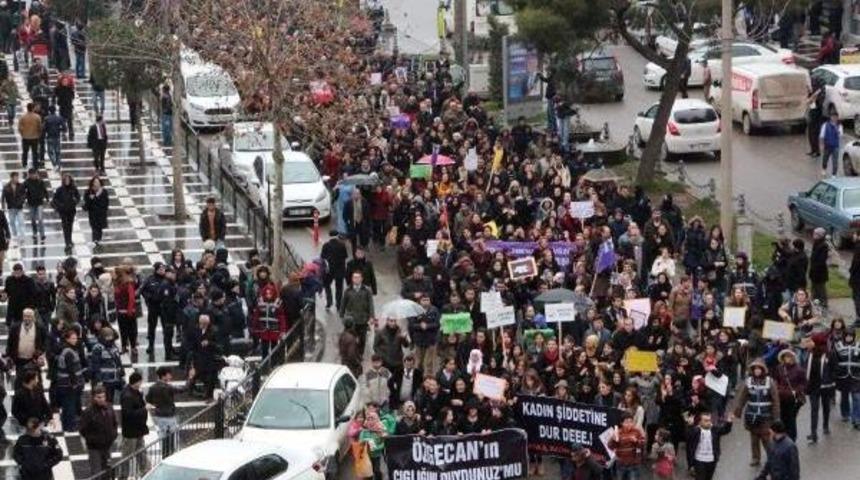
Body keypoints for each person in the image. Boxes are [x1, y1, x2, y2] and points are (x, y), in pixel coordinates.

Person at [733, 358, 781, 467]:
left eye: (759, 369)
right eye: (755, 369)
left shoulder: (770, 382)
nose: (757, 371)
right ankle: (755, 458)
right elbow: (742, 397)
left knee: (766, 438)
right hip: (752, 414)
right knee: (754, 438)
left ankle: (771, 458)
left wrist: (776, 417)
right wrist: (738, 411)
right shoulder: (749, 381)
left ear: (763, 370)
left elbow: (775, 400)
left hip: (766, 415)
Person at [79, 386, 118, 478]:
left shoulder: (109, 407)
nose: (101, 399)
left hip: (107, 445)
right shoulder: (88, 412)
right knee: (96, 472)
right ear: (94, 397)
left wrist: (113, 435)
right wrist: (94, 440)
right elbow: (83, 430)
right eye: (99, 397)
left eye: (103, 396)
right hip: (94, 447)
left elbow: (114, 423)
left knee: (107, 470)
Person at [802, 333, 835, 443]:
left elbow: (834, 369)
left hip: (826, 386)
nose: (808, 343)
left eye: (810, 341)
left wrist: (831, 381)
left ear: (817, 342)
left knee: (826, 407)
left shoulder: (829, 354)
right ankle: (813, 433)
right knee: (814, 409)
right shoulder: (809, 353)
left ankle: (825, 425)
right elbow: (804, 367)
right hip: (813, 386)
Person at [685, 410, 733, 480]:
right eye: (705, 421)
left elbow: (725, 430)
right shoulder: (696, 430)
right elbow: (688, 436)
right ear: (700, 421)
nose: (708, 422)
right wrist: (690, 425)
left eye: (709, 420)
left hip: (711, 460)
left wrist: (729, 422)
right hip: (699, 460)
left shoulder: (714, 429)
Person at [54, 328, 86, 431]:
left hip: (66, 384)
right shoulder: (68, 351)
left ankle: (66, 425)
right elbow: (70, 369)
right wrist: (74, 383)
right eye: (73, 338)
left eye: (76, 338)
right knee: (70, 406)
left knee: (67, 405)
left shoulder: (68, 349)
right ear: (67, 339)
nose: (75, 340)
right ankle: (70, 426)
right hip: (68, 384)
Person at [772, 349, 807, 442]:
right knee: (781, 418)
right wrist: (778, 390)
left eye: (790, 356)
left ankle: (791, 439)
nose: (788, 358)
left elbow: (803, 383)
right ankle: (782, 437)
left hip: (793, 400)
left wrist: (796, 391)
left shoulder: (799, 370)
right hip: (781, 398)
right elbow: (775, 381)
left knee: (791, 419)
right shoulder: (779, 368)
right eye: (786, 356)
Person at [119, 372, 149, 477]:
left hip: (138, 429)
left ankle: (146, 472)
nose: (141, 384)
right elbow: (128, 414)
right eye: (140, 381)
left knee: (141, 452)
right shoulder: (127, 396)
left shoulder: (134, 392)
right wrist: (144, 409)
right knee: (127, 455)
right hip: (131, 432)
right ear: (137, 382)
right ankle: (123, 475)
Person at [146, 366, 180, 457]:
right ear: (163, 376)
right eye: (169, 375)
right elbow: (182, 389)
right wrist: (191, 379)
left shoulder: (153, 387)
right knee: (172, 439)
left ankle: (165, 455)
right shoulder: (168, 387)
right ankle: (170, 455)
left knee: (163, 436)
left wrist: (157, 404)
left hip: (159, 416)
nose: (170, 377)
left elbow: (148, 399)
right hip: (169, 416)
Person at [340, 270, 375, 357]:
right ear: (352, 279)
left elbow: (371, 304)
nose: (356, 279)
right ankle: (352, 354)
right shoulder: (348, 290)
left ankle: (360, 354)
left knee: (362, 338)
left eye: (358, 277)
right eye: (354, 277)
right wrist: (342, 315)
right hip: (351, 320)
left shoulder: (367, 291)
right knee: (351, 338)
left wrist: (371, 317)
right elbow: (343, 304)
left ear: (362, 279)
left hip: (363, 319)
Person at [832, 329, 860, 428]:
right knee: (844, 396)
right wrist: (836, 373)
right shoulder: (839, 346)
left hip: (856, 376)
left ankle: (856, 419)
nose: (849, 338)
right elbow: (835, 360)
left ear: (854, 336)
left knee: (856, 397)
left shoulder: (858, 345)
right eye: (847, 336)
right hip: (843, 376)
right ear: (844, 336)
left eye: (851, 336)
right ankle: (845, 414)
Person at [89, 327, 124, 402]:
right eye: (107, 337)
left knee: (110, 400)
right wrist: (98, 380)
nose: (109, 339)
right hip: (104, 380)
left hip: (113, 379)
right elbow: (95, 365)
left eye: (110, 336)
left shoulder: (114, 347)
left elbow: (118, 361)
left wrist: (121, 371)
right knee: (103, 400)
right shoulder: (98, 348)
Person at [608, 413, 645, 480]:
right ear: (622, 423)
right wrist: (613, 440)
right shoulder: (618, 432)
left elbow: (642, 444)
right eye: (626, 422)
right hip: (621, 464)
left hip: (633, 464)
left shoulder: (637, 432)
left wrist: (636, 441)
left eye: (631, 422)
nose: (629, 424)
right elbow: (610, 446)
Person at [51, 172, 79, 252]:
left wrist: (75, 201)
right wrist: (60, 205)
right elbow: (55, 199)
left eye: (68, 179)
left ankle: (69, 240)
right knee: (65, 226)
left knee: (70, 226)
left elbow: (78, 197)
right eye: (65, 180)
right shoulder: (60, 189)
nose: (67, 181)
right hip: (63, 211)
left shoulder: (73, 188)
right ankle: (67, 242)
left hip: (71, 210)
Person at [321, 232, 348, 310]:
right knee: (339, 288)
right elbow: (345, 257)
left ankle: (329, 302)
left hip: (329, 270)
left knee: (327, 285)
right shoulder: (342, 245)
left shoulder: (326, 245)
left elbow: (322, 257)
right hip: (340, 270)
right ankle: (338, 305)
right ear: (337, 236)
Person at [83, 175, 109, 248]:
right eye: (95, 182)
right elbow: (87, 202)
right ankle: (95, 240)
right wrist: (92, 199)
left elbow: (105, 203)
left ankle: (98, 240)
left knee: (99, 228)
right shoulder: (89, 192)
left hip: (101, 214)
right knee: (94, 228)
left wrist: (95, 199)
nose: (96, 184)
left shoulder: (104, 192)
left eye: (98, 182)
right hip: (93, 214)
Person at [344, 188, 371, 256]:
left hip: (362, 222)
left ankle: (362, 251)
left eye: (358, 194)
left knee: (363, 237)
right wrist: (348, 222)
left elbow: (367, 213)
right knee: (353, 239)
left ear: (360, 195)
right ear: (352, 195)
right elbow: (345, 214)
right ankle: (354, 253)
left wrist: (368, 223)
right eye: (354, 194)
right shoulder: (348, 203)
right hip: (353, 223)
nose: (356, 195)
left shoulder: (364, 201)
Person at [23, 167, 46, 241]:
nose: (33, 175)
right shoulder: (26, 182)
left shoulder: (40, 181)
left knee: (40, 218)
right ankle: (35, 232)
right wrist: (24, 198)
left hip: (39, 202)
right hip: (31, 203)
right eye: (32, 174)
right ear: (29, 175)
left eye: (34, 174)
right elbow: (22, 190)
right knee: (33, 219)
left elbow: (44, 190)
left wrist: (47, 198)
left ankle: (42, 234)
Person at [809, 227, 829, 307]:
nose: (813, 235)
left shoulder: (823, 246)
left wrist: (815, 267)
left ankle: (823, 303)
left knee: (820, 289)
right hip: (814, 271)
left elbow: (821, 260)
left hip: (820, 273)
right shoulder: (816, 243)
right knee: (814, 288)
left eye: (815, 234)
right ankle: (815, 301)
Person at [2, 171, 24, 242]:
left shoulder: (21, 185)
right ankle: (15, 234)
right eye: (15, 177)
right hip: (11, 207)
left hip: (19, 207)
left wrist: (21, 201)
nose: (17, 179)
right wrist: (3, 206)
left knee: (21, 222)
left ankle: (22, 236)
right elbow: (3, 197)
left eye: (17, 177)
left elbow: (24, 195)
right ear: (11, 178)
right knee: (12, 222)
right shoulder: (6, 187)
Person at [819, 110, 842, 177]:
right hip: (827, 145)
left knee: (835, 161)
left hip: (835, 146)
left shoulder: (839, 126)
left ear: (837, 118)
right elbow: (822, 136)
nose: (834, 118)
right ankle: (824, 169)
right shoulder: (825, 125)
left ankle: (834, 174)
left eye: (836, 117)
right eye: (833, 117)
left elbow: (840, 136)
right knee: (825, 159)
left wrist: (836, 130)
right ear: (830, 117)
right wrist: (821, 145)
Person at [18, 102, 40, 168]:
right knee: (35, 152)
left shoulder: (23, 117)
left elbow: (20, 128)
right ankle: (35, 164)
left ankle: (24, 163)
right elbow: (39, 127)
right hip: (34, 137)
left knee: (25, 151)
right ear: (33, 108)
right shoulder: (37, 117)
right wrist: (38, 134)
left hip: (25, 137)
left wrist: (22, 134)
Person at [53, 70, 74, 140]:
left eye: (66, 81)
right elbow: (54, 95)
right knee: (62, 120)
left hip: (69, 106)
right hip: (62, 106)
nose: (65, 82)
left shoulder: (69, 89)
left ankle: (71, 132)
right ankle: (63, 131)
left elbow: (72, 96)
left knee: (70, 120)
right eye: (64, 81)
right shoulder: (58, 89)